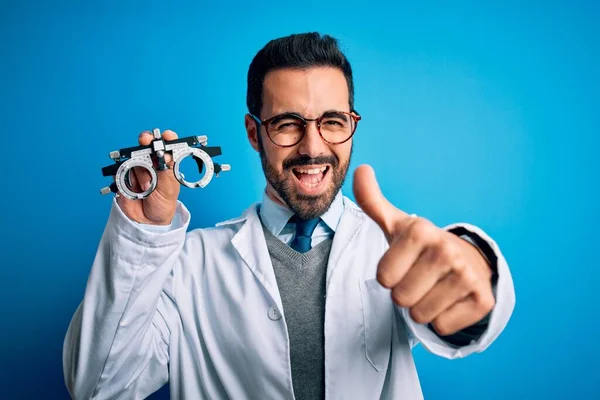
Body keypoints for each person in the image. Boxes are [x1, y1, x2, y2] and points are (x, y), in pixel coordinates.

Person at [63, 32, 515, 400]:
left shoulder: (395, 251)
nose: (313, 147)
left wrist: (476, 266)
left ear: (352, 125)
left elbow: (456, 319)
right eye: (287, 124)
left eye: (333, 121)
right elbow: (99, 386)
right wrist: (145, 233)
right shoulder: (189, 266)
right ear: (254, 134)